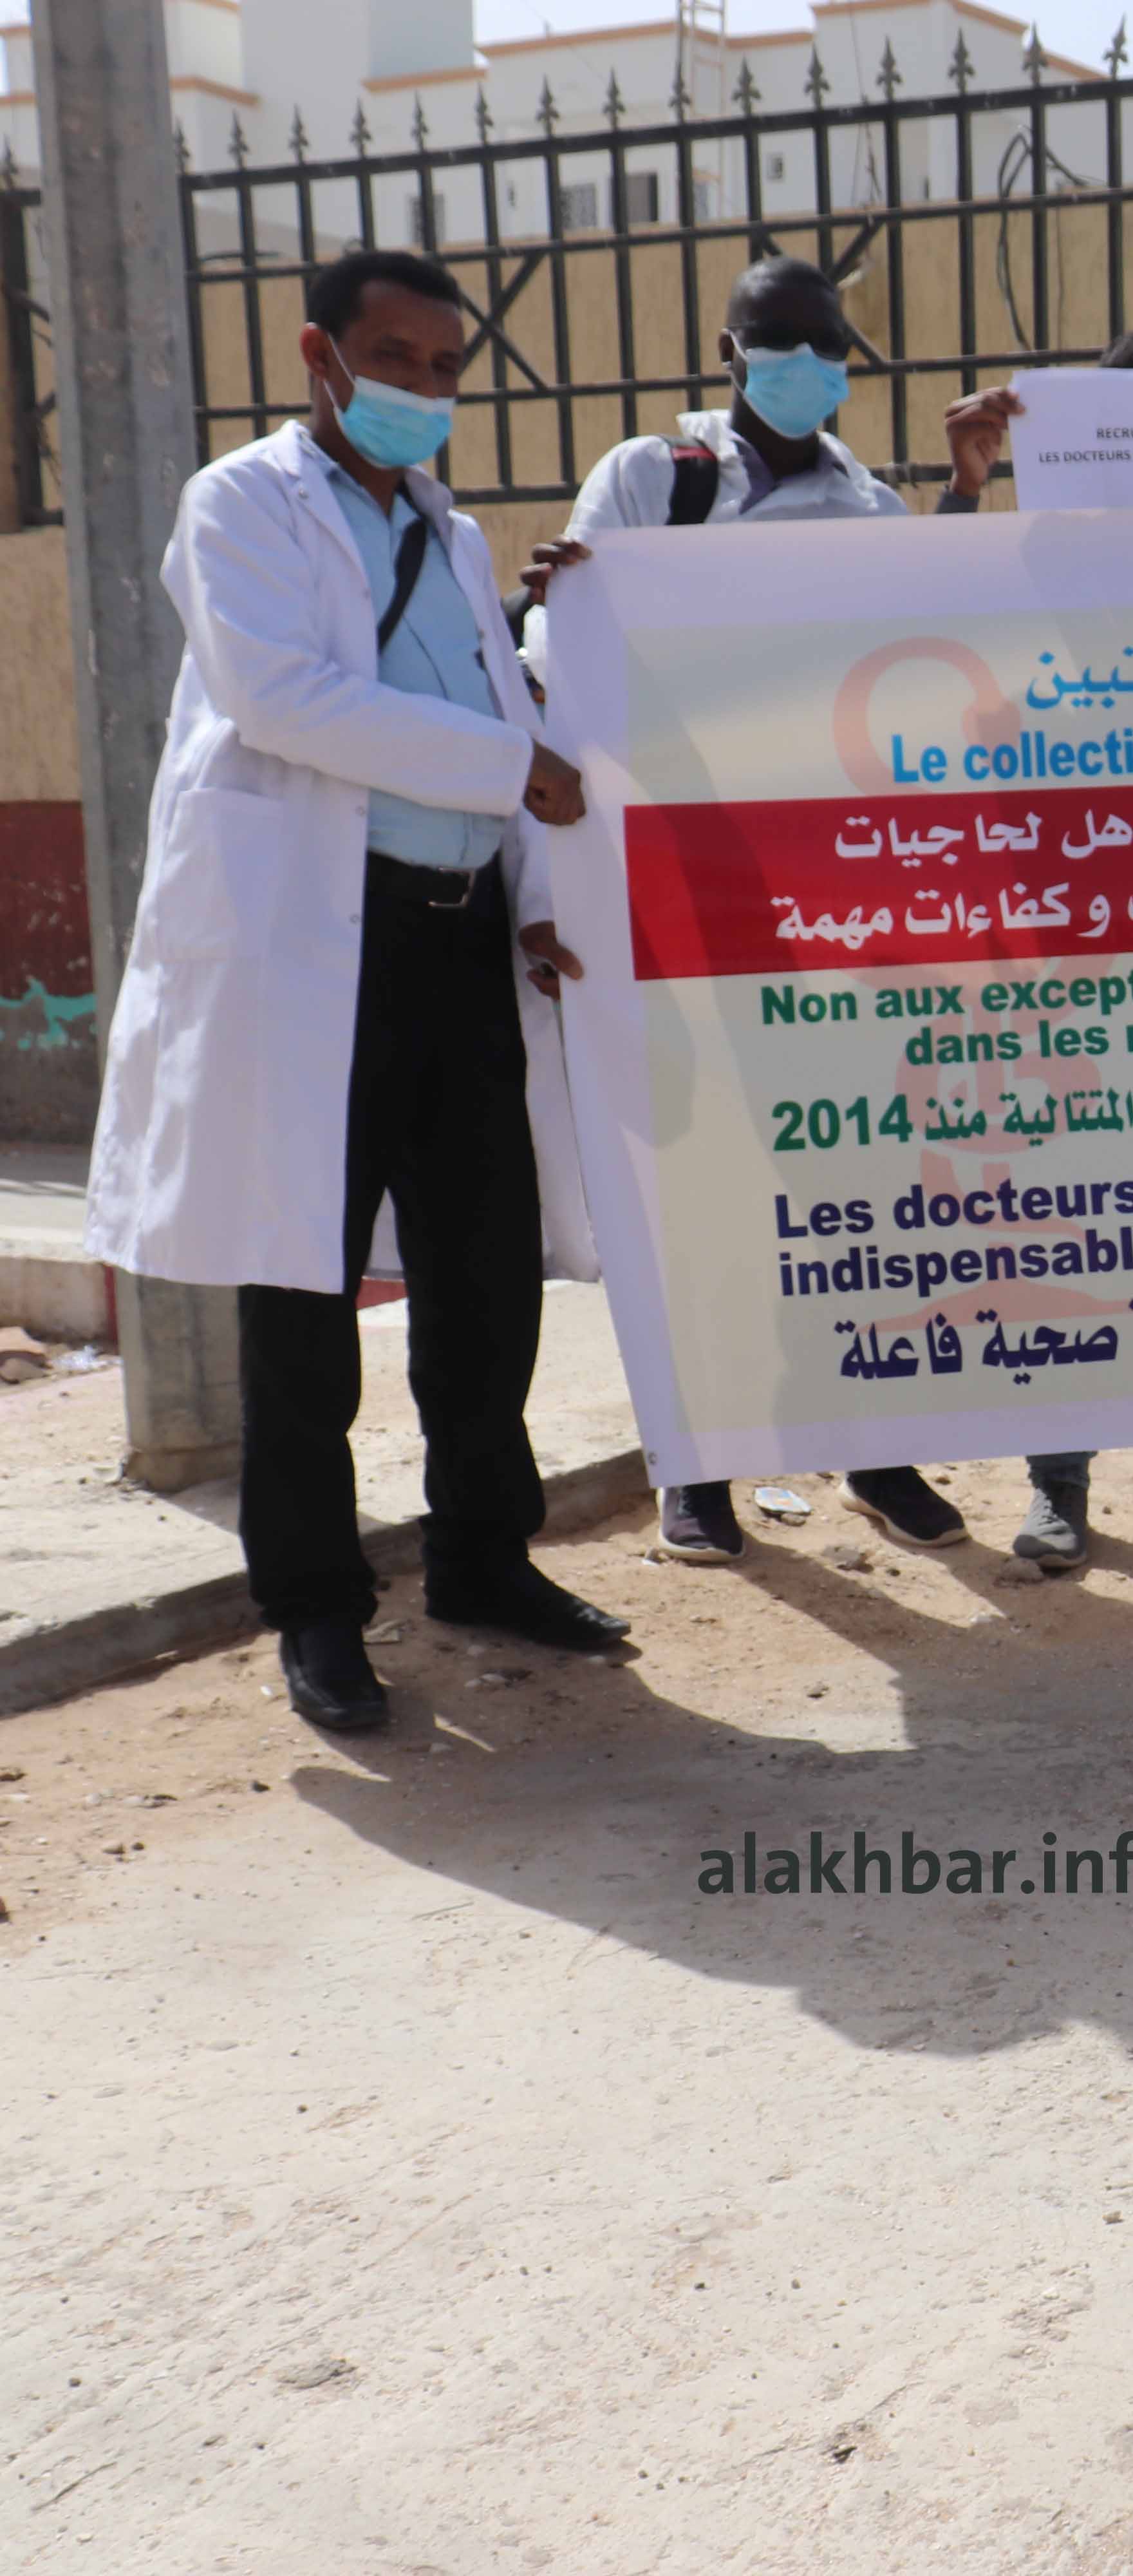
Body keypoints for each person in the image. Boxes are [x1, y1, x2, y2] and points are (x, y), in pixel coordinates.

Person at [85, 249, 624, 1735]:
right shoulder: (241, 504)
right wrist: (512, 766)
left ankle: (483, 1556)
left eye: (446, 368)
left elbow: (494, 702)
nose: (423, 389)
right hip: (321, 945)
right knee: (305, 1292)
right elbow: (285, 701)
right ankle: (317, 1606)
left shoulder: (449, 527)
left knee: (484, 1272)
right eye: (396, 358)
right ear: (318, 355)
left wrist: (537, 893)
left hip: (460, 942)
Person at [525, 256, 990, 1567]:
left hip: (827, 889)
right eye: (776, 342)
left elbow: (930, 638)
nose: (804, 364)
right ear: (729, 354)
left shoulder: (870, 505)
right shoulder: (651, 477)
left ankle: (868, 1444)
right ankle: (695, 1463)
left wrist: (965, 494)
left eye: (824, 343)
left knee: (847, 1172)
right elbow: (566, 666)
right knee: (694, 1178)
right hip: (671, 874)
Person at [933, 325, 1133, 1569]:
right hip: (1062, 945)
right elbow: (914, 626)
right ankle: (1058, 1482)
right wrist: (967, 488)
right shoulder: (1034, 558)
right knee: (1064, 1213)